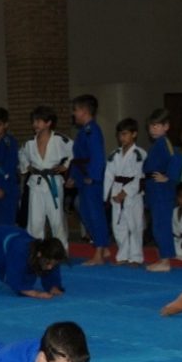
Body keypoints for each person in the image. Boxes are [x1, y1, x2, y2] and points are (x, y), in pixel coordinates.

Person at [18, 106, 73, 249]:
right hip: (35, 183)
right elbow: (21, 155)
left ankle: (61, 252)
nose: (34, 124)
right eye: (33, 121)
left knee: (57, 221)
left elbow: (75, 151)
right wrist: (27, 166)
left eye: (38, 121)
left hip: (53, 182)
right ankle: (35, 252)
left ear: (48, 123)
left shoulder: (60, 139)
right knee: (35, 221)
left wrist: (66, 165)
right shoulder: (29, 142)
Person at [67, 95, 110, 265]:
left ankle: (99, 252)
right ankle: (103, 246)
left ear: (84, 111)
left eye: (75, 110)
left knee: (94, 213)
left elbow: (97, 156)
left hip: (91, 179)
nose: (73, 113)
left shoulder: (93, 130)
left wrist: (93, 176)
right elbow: (78, 158)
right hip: (82, 177)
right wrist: (73, 176)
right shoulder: (83, 131)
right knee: (85, 211)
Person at [143, 109, 182, 272]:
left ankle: (165, 260)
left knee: (162, 225)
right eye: (151, 126)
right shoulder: (157, 145)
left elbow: (176, 160)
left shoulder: (166, 144)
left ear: (166, 126)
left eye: (157, 126)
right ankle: (163, 258)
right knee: (157, 226)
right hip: (154, 188)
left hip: (162, 191)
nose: (153, 129)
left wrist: (169, 178)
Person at [103, 118, 147, 266]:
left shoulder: (140, 154)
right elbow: (108, 176)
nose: (121, 138)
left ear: (134, 134)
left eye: (125, 134)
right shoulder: (114, 154)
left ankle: (136, 257)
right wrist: (107, 195)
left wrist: (125, 193)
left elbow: (139, 177)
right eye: (119, 134)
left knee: (135, 225)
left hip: (132, 194)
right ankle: (122, 254)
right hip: (116, 190)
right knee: (118, 225)